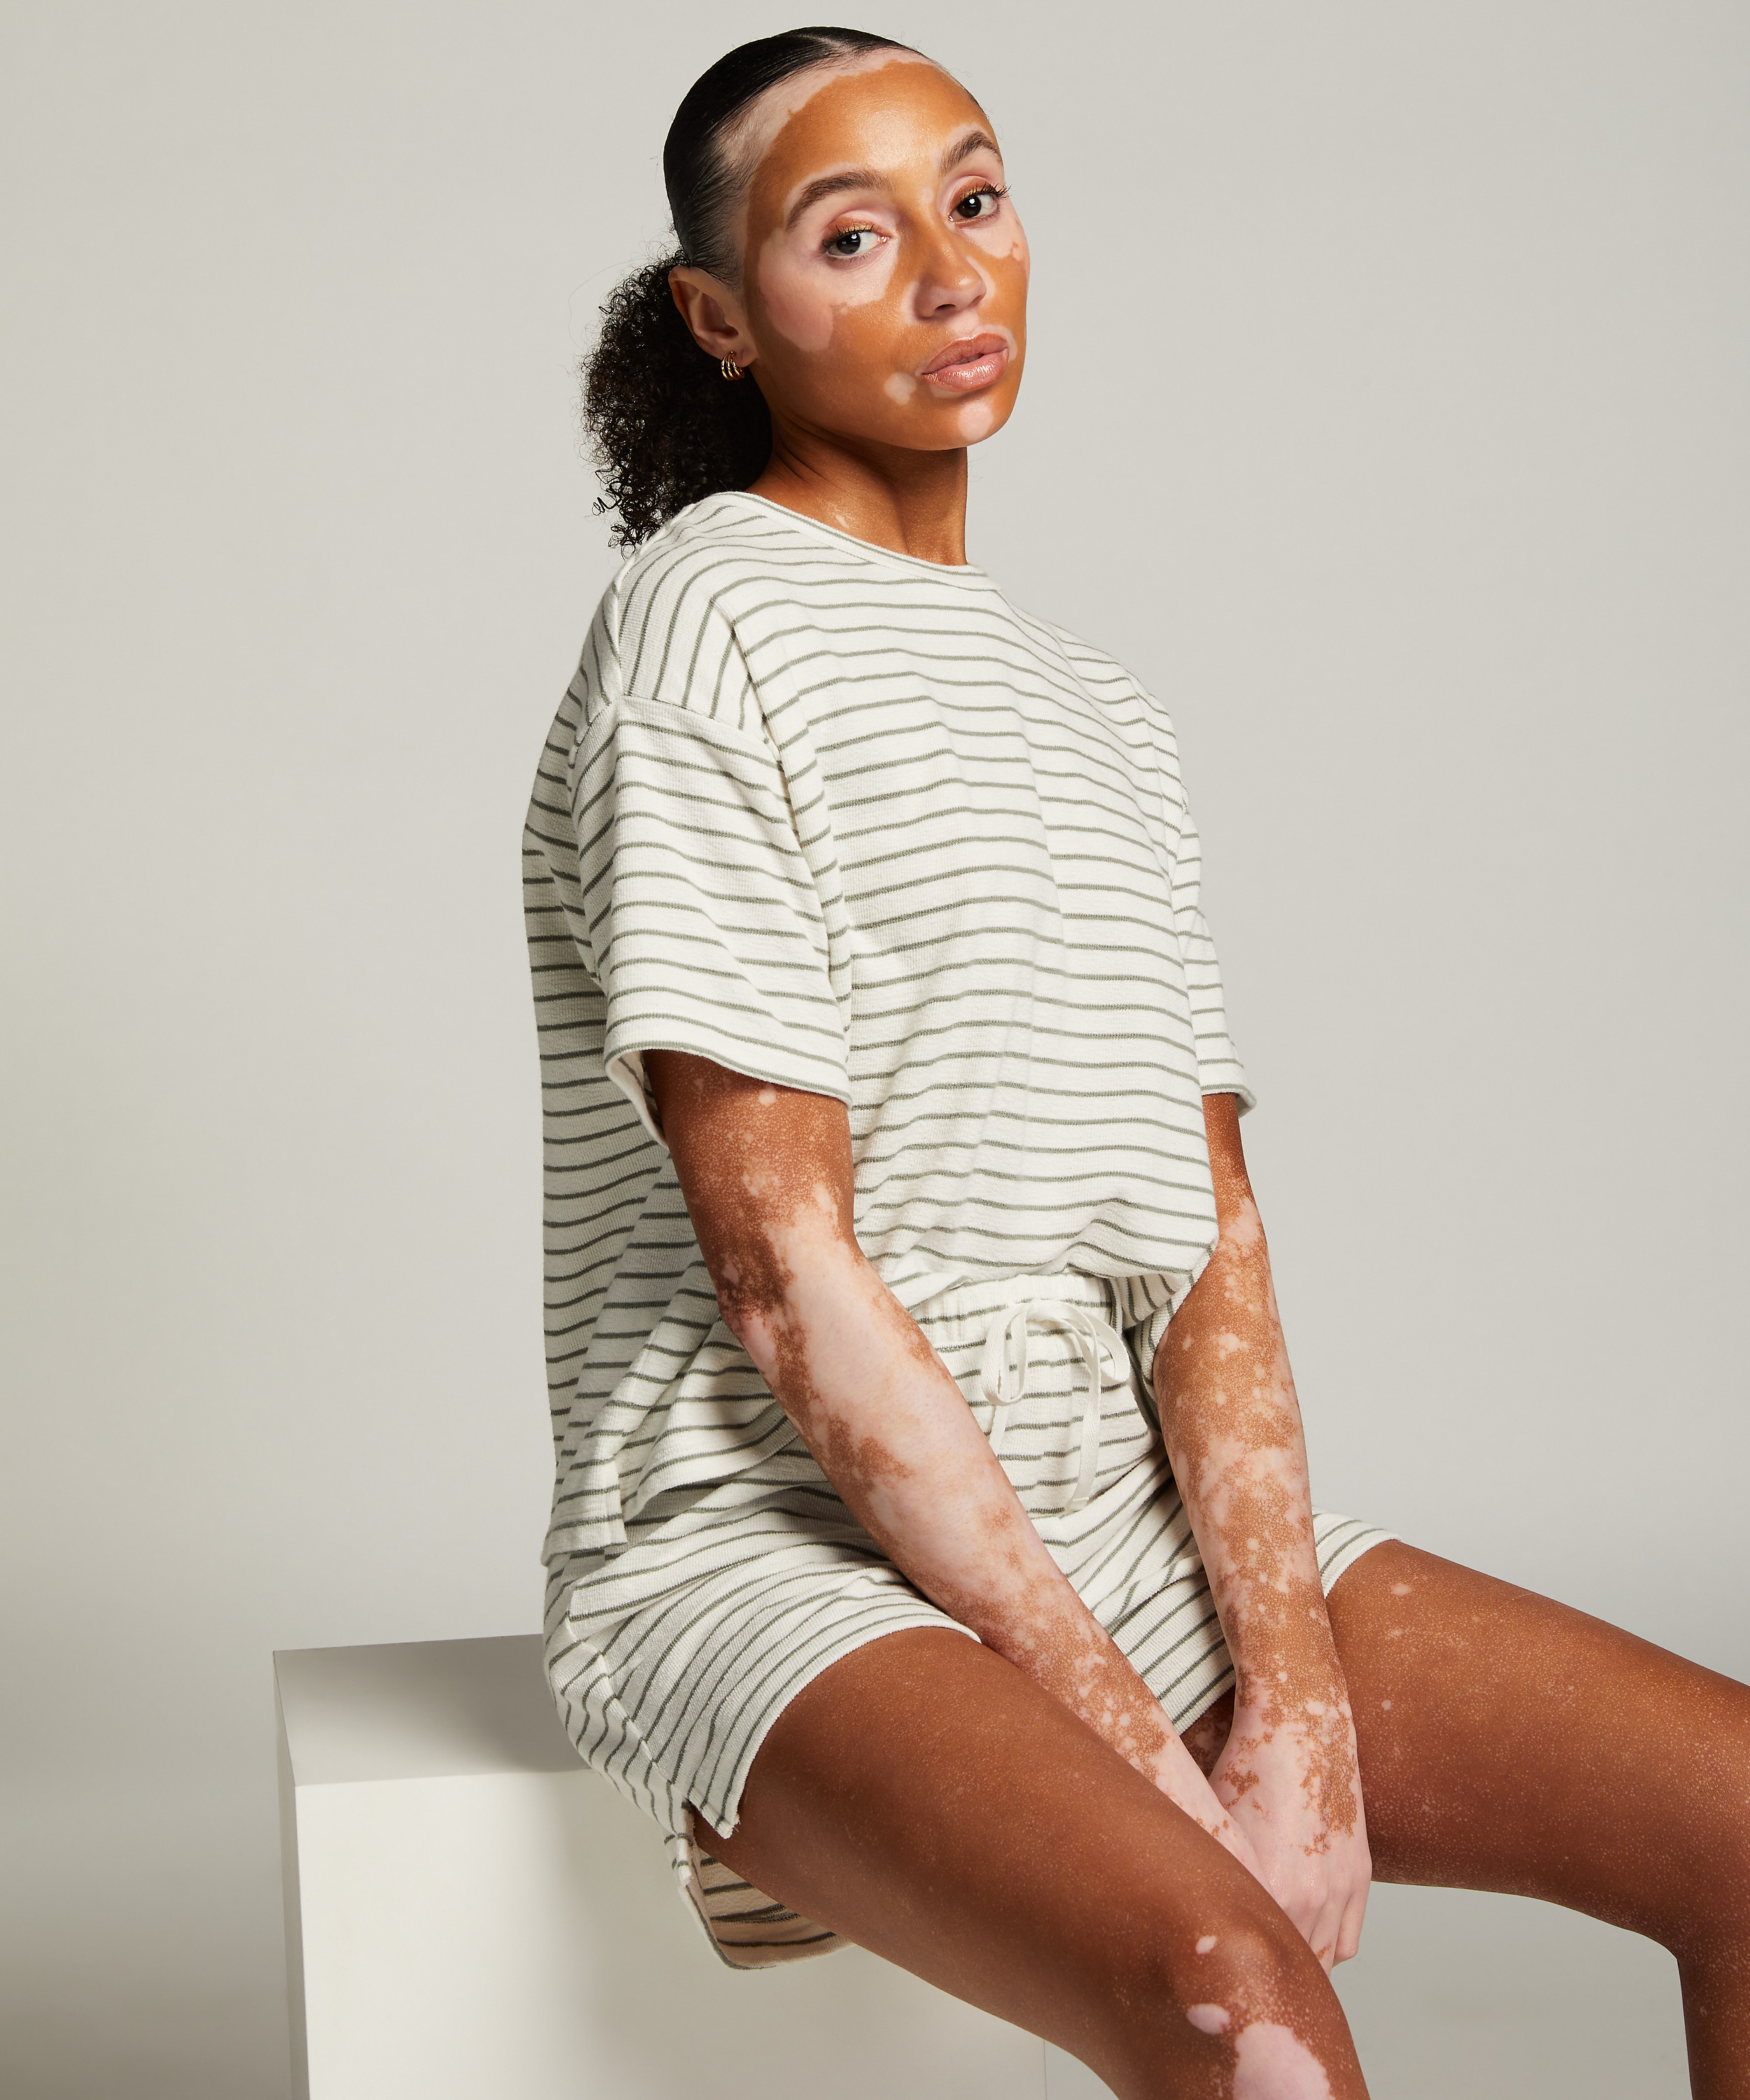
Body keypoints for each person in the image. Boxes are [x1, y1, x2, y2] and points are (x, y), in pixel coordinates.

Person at [522, 27, 1750, 2098]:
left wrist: (1293, 1705)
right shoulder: (704, 624)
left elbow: (1207, 1237)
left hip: (1115, 1519)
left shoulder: (1100, 712)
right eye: (852, 234)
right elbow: (784, 1269)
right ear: (719, 318)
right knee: (1240, 2012)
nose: (949, 271)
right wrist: (1124, 1747)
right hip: (770, 1544)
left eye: (975, 199)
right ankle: (774, 1795)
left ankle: (916, 1814)